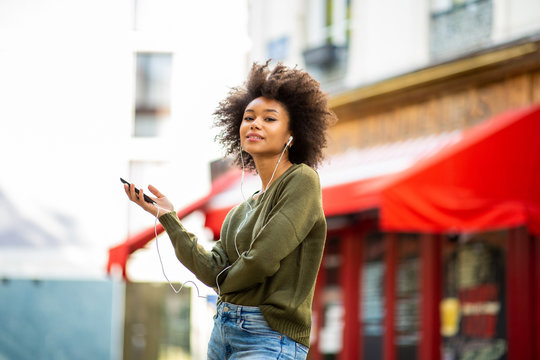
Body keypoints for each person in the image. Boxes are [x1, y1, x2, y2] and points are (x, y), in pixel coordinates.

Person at [124, 61, 336, 359]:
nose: (255, 124)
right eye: (249, 117)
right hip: (222, 331)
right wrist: (168, 218)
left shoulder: (301, 180)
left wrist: (221, 283)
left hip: (268, 336)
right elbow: (210, 268)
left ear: (293, 134)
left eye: (269, 118)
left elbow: (261, 260)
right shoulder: (241, 210)